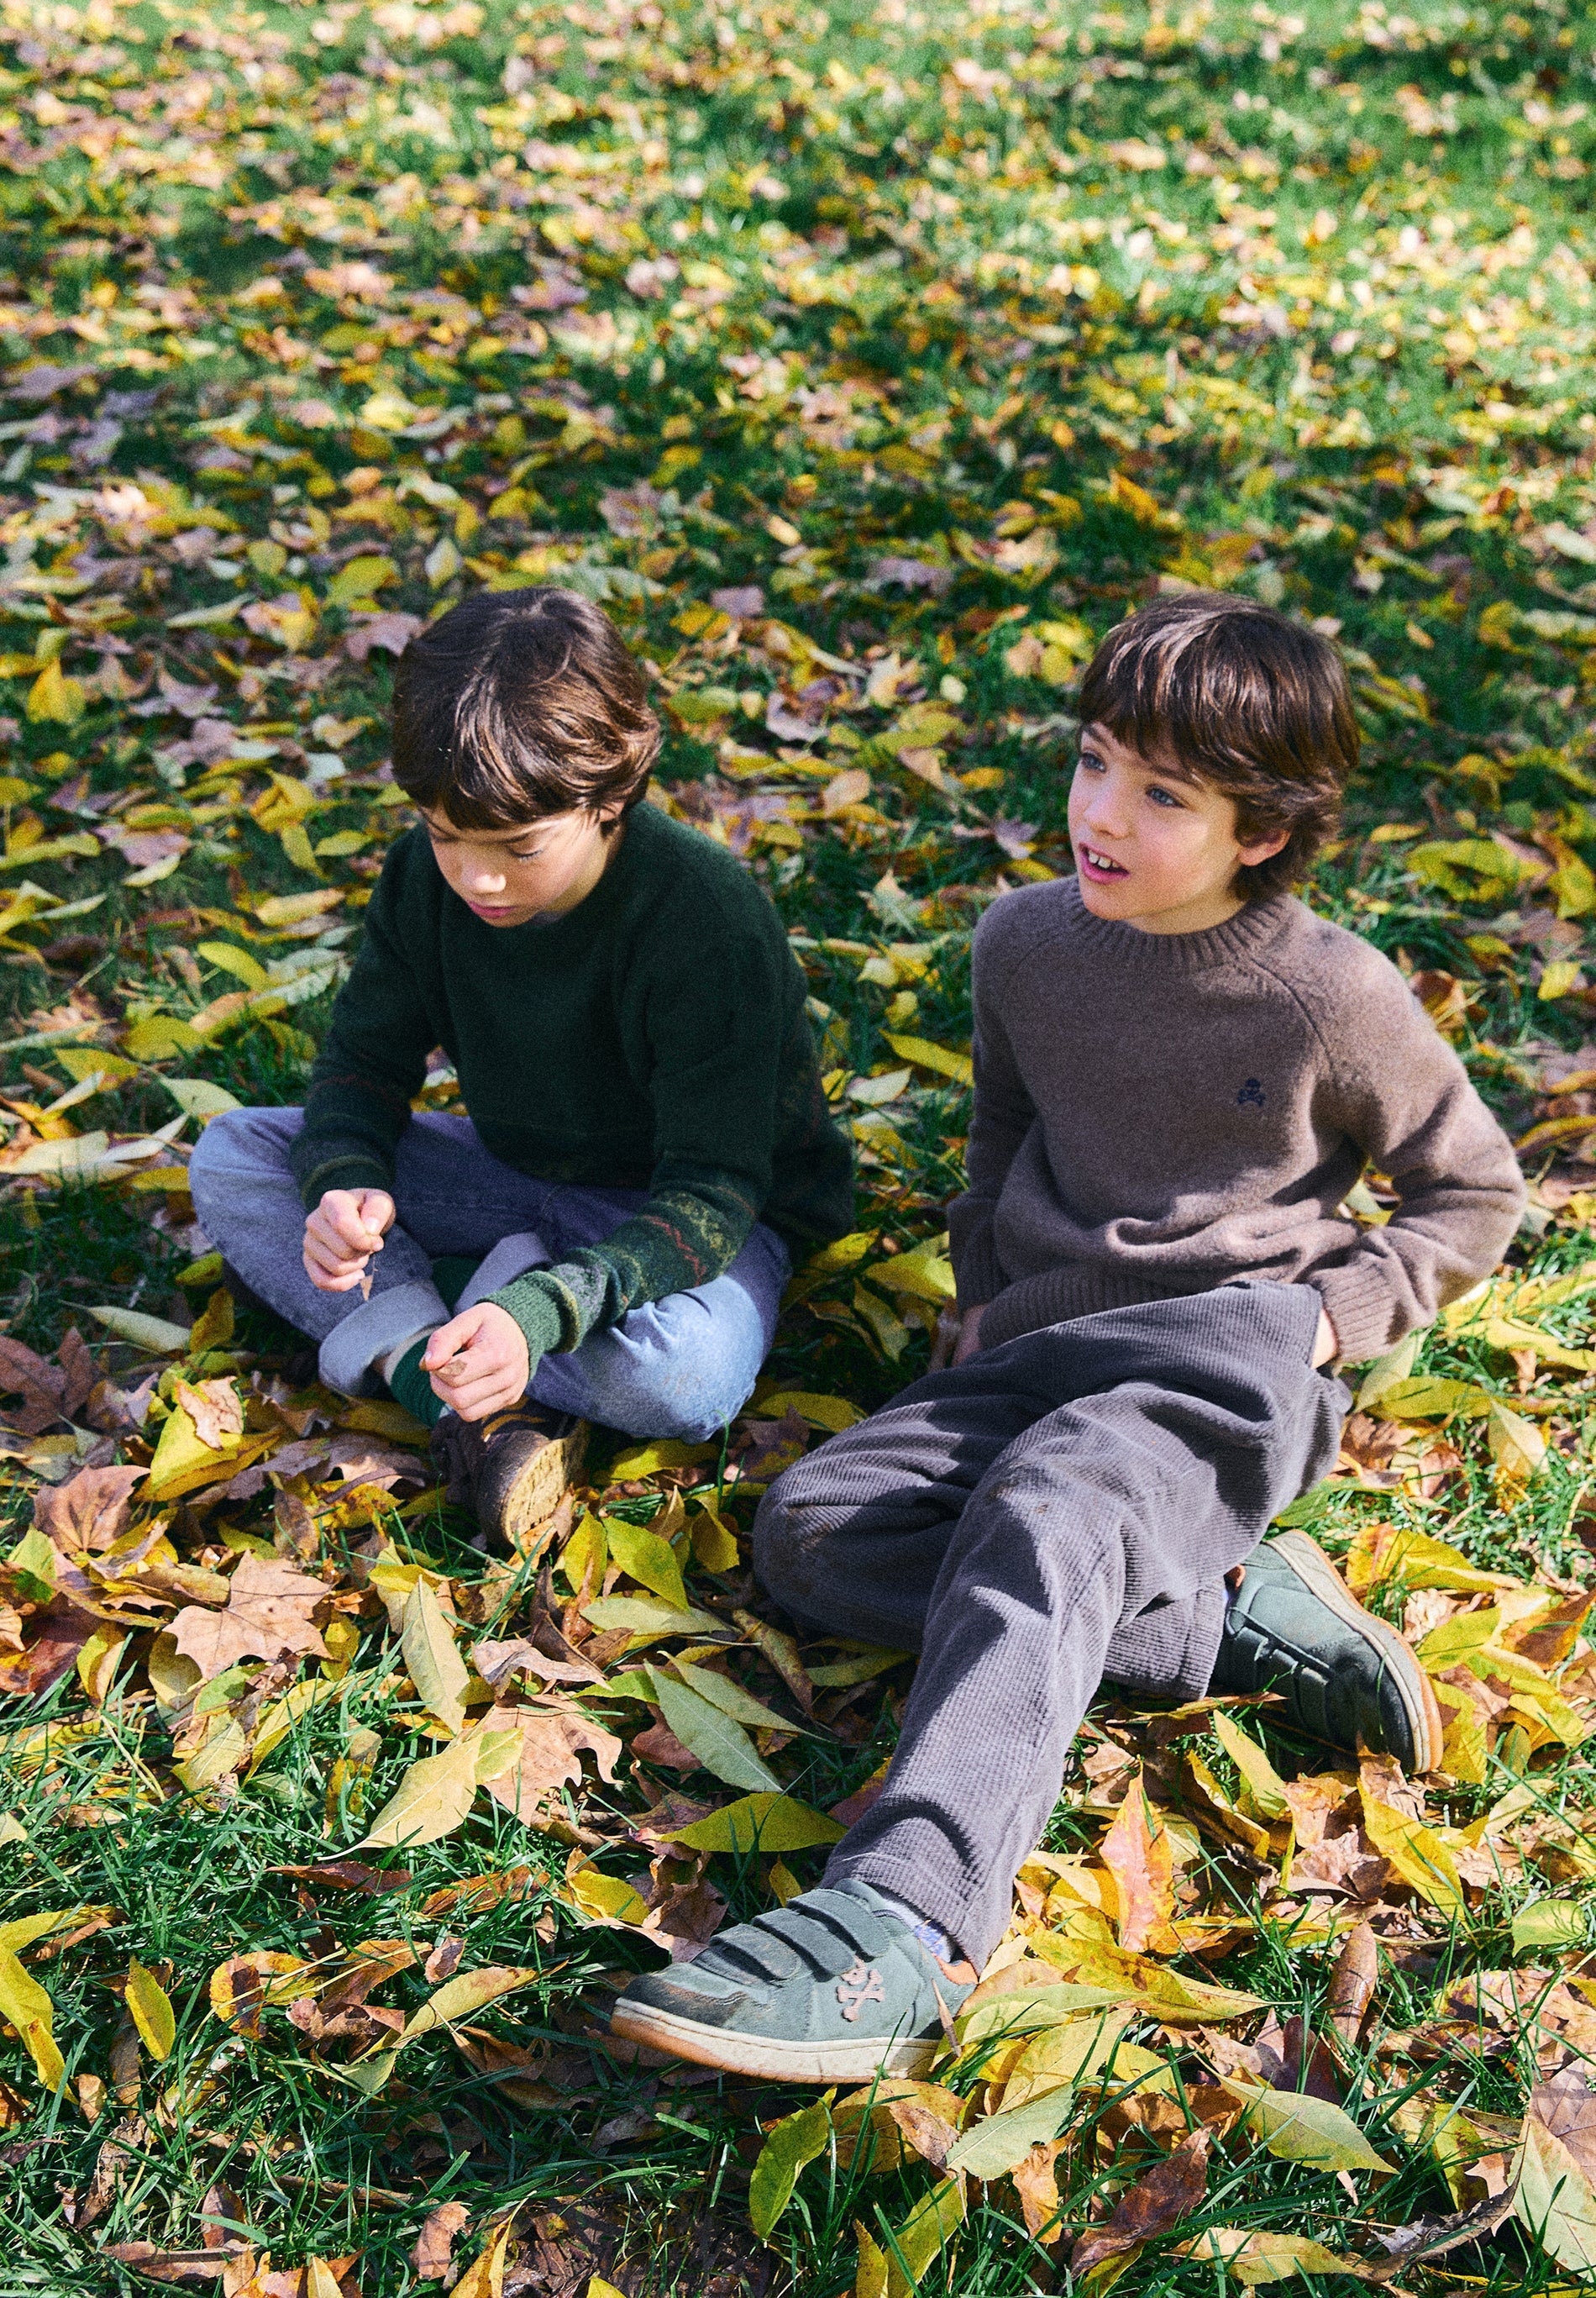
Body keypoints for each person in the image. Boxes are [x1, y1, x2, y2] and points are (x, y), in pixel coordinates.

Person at [609, 588, 1526, 2084]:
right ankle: (1212, 1618)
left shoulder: (1329, 997)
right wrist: (983, 1281)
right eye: (1096, 761)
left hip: (1226, 1355)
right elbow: (1003, 1136)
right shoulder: (1025, 945)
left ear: (1264, 835)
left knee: (1050, 1513)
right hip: (1037, 1345)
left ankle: (907, 1919)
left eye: (1163, 796)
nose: (1100, 813)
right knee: (811, 1533)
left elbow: (1475, 1190)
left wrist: (1330, 1320)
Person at [189, 586, 853, 1544]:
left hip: (700, 1217)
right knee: (235, 1153)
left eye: (516, 846)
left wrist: (546, 1307)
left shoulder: (705, 923)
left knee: (685, 1376)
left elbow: (714, 1191)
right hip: (514, 1176)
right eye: (445, 834)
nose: (477, 878)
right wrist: (347, 1183)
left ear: (611, 796)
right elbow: (359, 1069)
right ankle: (454, 1368)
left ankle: (458, 1320)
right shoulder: (424, 882)